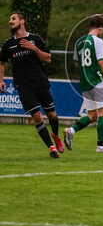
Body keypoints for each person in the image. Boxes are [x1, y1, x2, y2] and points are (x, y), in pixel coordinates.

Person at [0, 11, 64, 158]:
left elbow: (48, 58)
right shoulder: (9, 45)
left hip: (40, 82)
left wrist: (33, 48)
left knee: (52, 115)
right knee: (37, 117)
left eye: (14, 19)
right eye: (10, 19)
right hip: (23, 86)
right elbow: (1, 62)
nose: (11, 21)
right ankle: (51, 147)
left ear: (22, 21)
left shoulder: (35, 39)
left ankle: (55, 136)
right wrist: (0, 80)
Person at [64, 15, 103, 154]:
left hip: (85, 82)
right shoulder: (98, 41)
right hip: (97, 80)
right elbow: (101, 63)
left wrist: (102, 63)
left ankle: (71, 130)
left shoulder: (79, 42)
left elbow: (78, 64)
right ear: (100, 27)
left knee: (92, 115)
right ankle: (100, 146)